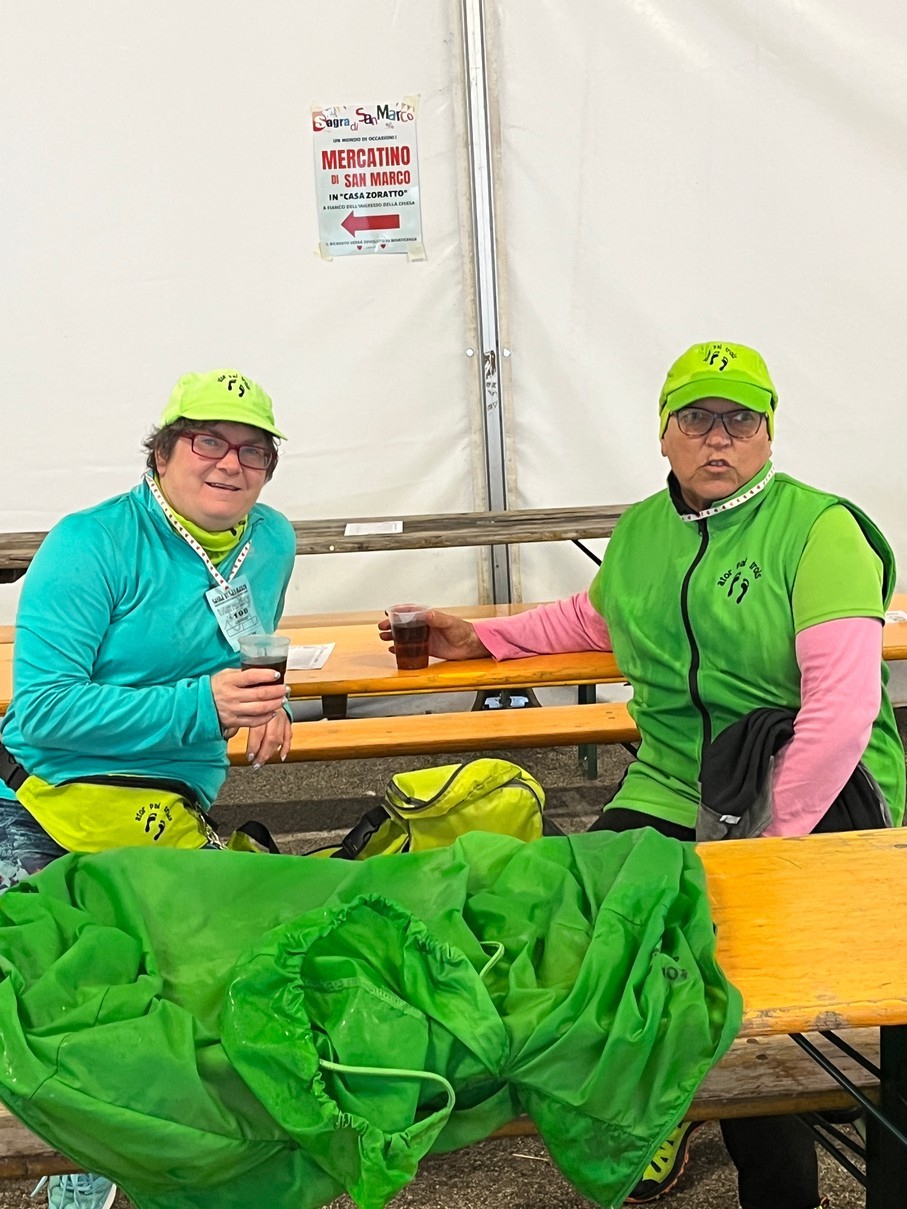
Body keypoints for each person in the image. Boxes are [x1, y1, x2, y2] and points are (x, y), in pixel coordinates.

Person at [379, 340, 905, 1209]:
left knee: (737, 986)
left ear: (768, 434)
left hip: (805, 790)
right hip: (670, 782)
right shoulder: (642, 530)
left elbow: (841, 711)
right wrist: (484, 639)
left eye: (739, 418)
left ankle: (777, 1185)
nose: (717, 436)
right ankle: (658, 1100)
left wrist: (767, 845)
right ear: (663, 433)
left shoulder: (821, 530)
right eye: (695, 417)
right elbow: (593, 617)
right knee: (571, 922)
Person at [0, 368, 296, 1209]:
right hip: (44, 799)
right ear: (162, 451)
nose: (230, 463)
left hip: (167, 808)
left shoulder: (272, 539)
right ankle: (72, 1170)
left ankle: (128, 1152)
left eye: (253, 449)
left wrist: (270, 698)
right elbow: (42, 708)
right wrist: (202, 705)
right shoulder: (89, 543)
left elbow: (250, 639)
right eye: (209, 440)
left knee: (208, 999)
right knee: (64, 1007)